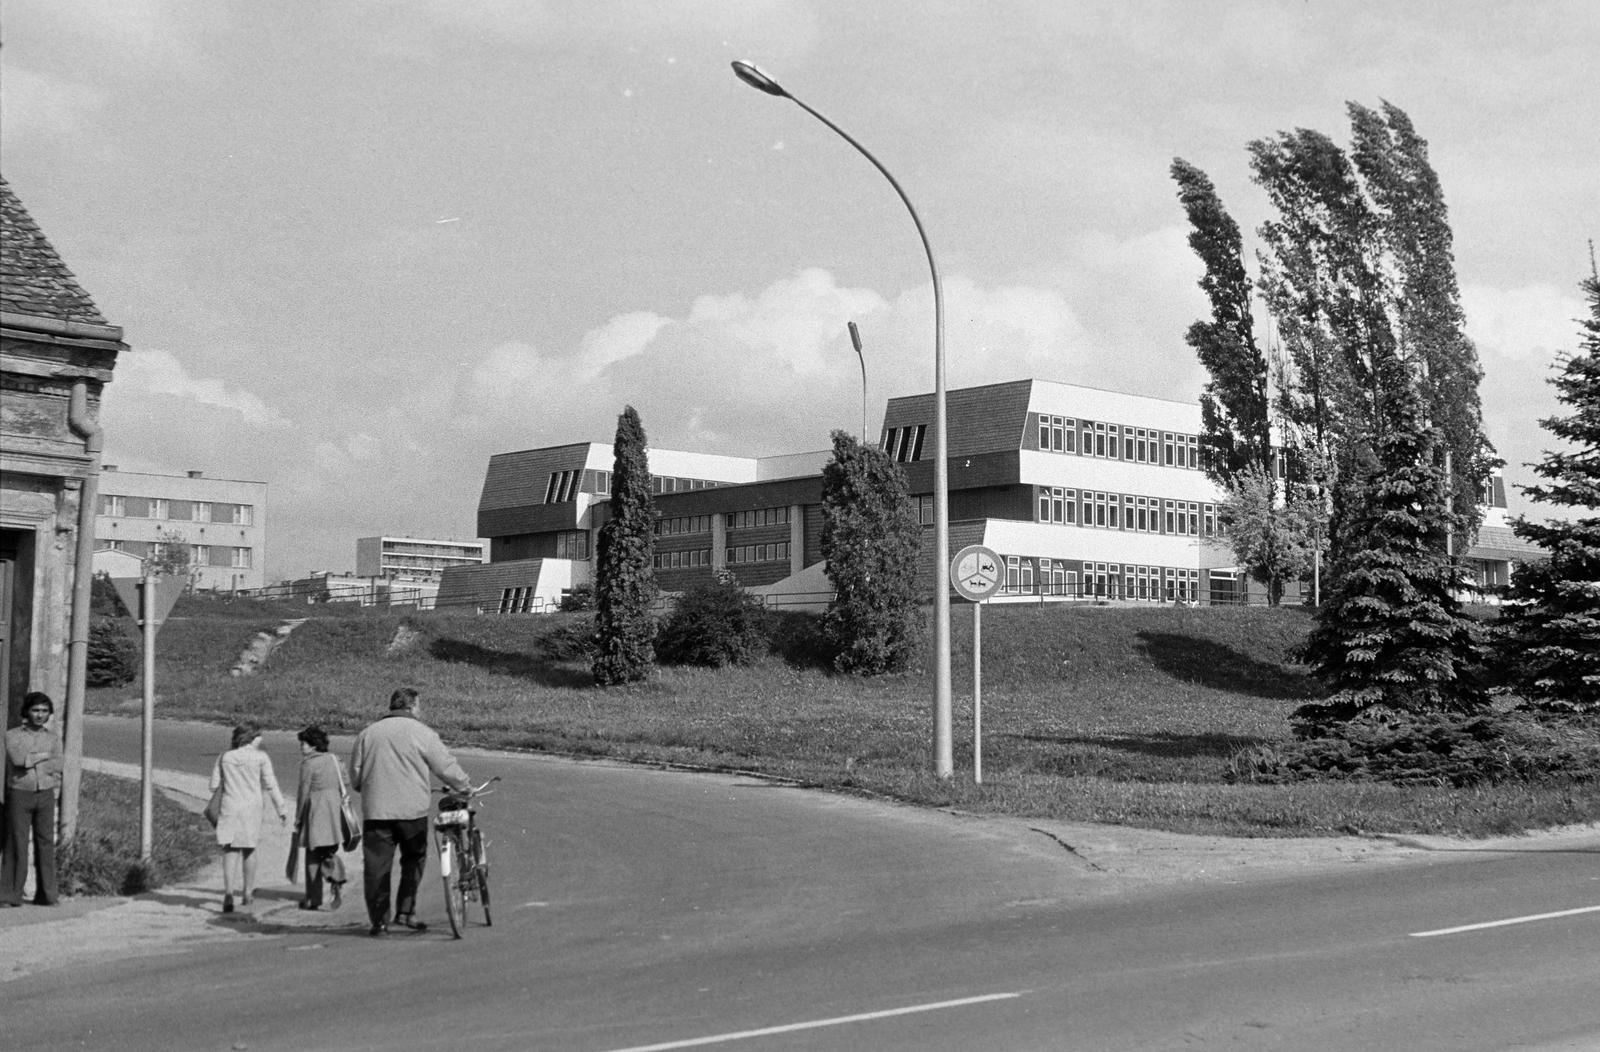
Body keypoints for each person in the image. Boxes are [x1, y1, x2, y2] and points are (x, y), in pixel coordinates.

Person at [350, 687, 470, 937]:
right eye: (419, 706)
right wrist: (464, 786)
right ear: (412, 706)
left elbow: (356, 778)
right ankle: (405, 911)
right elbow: (444, 766)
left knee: (376, 867)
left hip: (377, 811)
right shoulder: (422, 733)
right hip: (411, 811)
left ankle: (379, 922)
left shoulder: (367, 734)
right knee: (414, 858)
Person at [209, 721, 287, 913]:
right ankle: (247, 893)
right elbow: (271, 784)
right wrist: (281, 809)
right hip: (252, 807)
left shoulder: (225, 757)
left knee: (230, 849)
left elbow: (213, 786)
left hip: (230, 805)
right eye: (258, 736)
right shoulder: (261, 757)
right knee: (249, 849)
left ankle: (228, 893)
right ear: (252, 738)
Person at [3, 692, 63, 907]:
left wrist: (35, 759)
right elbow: (19, 759)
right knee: (16, 843)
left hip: (45, 793)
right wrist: (44, 756)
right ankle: (9, 895)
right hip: (20, 793)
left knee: (46, 843)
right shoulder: (13, 735)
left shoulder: (53, 738)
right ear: (27, 712)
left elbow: (58, 764)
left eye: (44, 711)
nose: (40, 715)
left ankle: (47, 895)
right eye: (35, 710)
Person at [293, 725, 348, 911]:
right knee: (330, 851)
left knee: (312, 855)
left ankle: (313, 898)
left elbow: (303, 792)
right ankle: (336, 877)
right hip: (334, 811)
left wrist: (298, 817)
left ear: (313, 745)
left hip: (315, 812)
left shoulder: (308, 764)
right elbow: (346, 781)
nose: (301, 747)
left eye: (304, 744)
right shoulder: (334, 759)